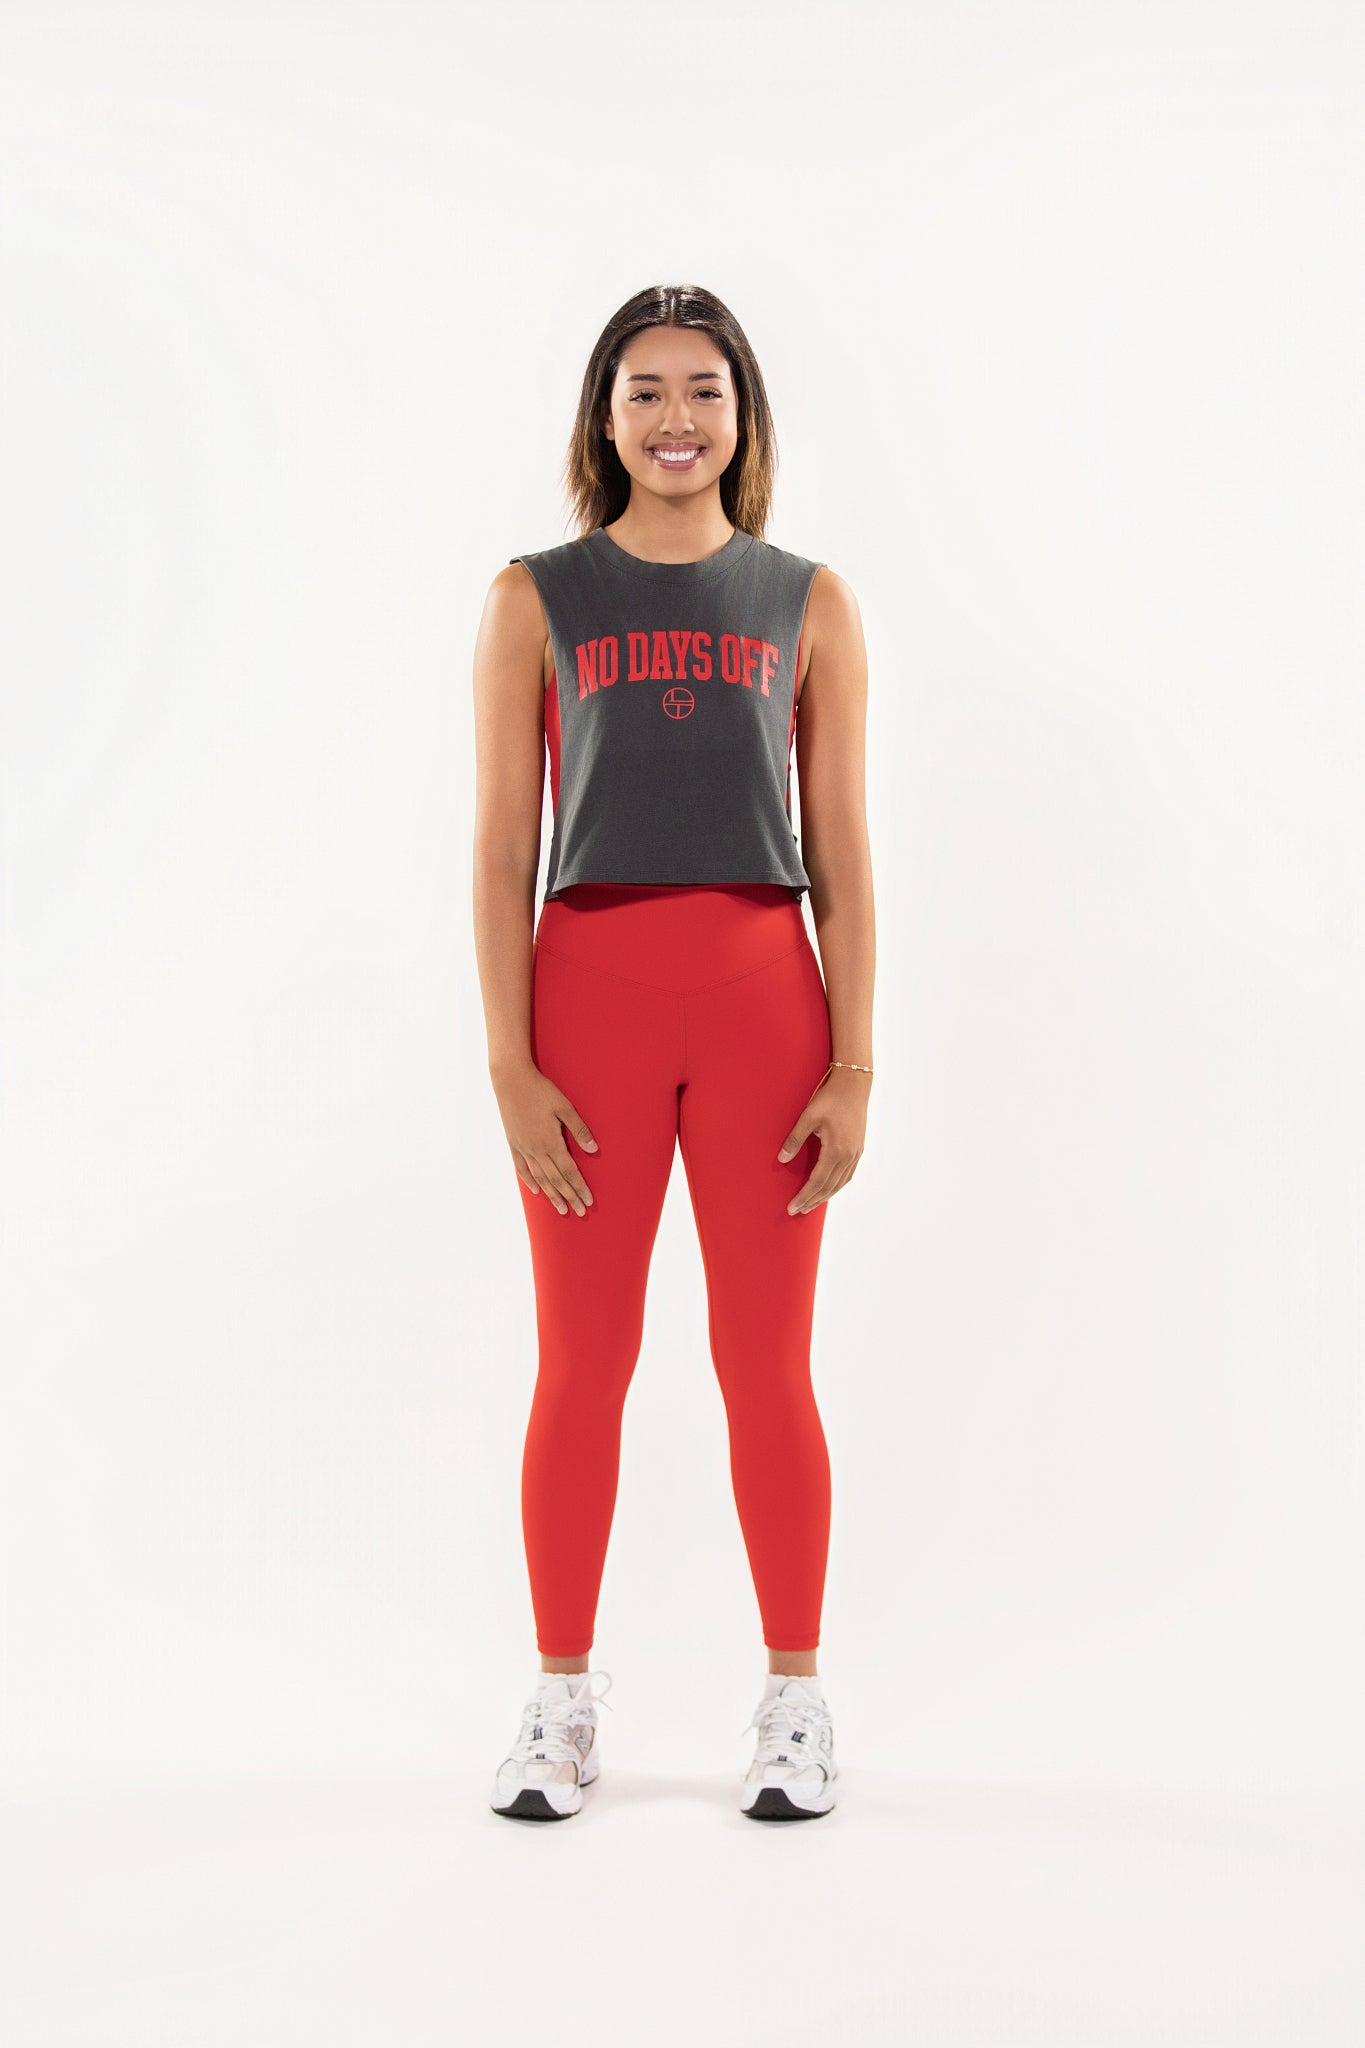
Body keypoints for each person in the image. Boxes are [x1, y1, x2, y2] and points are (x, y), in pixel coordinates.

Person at [471, 284, 873, 1822]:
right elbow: (501, 844)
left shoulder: (806, 600)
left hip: (768, 1005)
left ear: (743, 414)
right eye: (643, 390)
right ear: (603, 415)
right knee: (583, 1363)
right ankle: (559, 1701)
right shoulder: (535, 597)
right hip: (586, 1005)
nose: (674, 418)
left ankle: (794, 1700)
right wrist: (508, 1061)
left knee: (765, 1365)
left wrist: (854, 1064)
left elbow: (842, 848)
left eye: (703, 389)